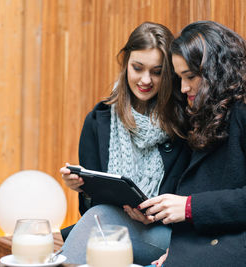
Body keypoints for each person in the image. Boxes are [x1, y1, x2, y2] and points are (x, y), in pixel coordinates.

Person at [139, 20, 246, 267]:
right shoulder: (212, 114)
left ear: (215, 70)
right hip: (225, 245)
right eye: (180, 78)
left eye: (190, 76)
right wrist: (180, 252)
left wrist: (188, 207)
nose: (184, 87)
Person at [59, 21, 190, 265]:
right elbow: (91, 210)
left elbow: (189, 202)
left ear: (169, 74)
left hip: (167, 237)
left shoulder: (183, 124)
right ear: (125, 63)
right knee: (100, 219)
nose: (145, 80)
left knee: (99, 222)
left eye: (157, 72)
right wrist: (83, 188)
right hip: (109, 229)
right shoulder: (99, 121)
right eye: (137, 68)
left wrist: (153, 218)